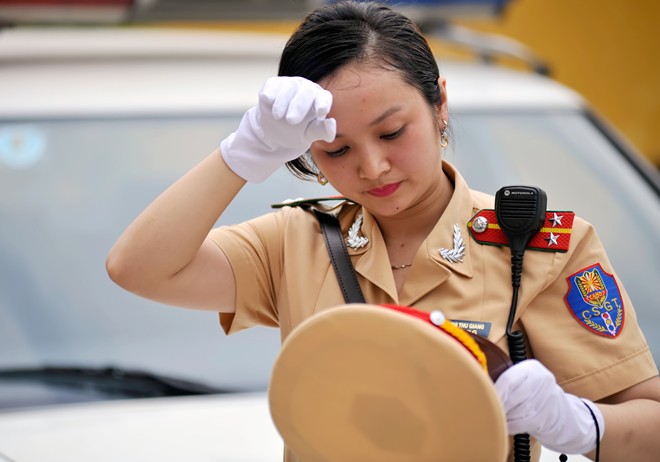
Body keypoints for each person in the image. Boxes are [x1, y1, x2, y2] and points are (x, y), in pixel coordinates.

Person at [106, 1, 660, 461]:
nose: (372, 167)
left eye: (392, 132)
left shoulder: (535, 247)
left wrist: (580, 424)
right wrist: (240, 155)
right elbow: (138, 268)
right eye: (337, 150)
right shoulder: (297, 242)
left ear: (440, 103)